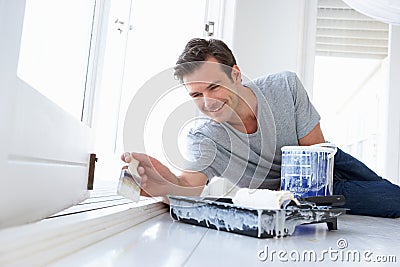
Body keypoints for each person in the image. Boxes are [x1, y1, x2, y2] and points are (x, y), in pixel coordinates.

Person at [121, 38, 400, 218]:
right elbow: (188, 185)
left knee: (388, 194)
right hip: (292, 194)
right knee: (393, 200)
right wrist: (164, 182)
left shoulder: (284, 87)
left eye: (214, 87)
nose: (208, 102)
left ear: (236, 75)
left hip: (322, 164)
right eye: (196, 95)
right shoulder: (204, 136)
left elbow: (316, 154)